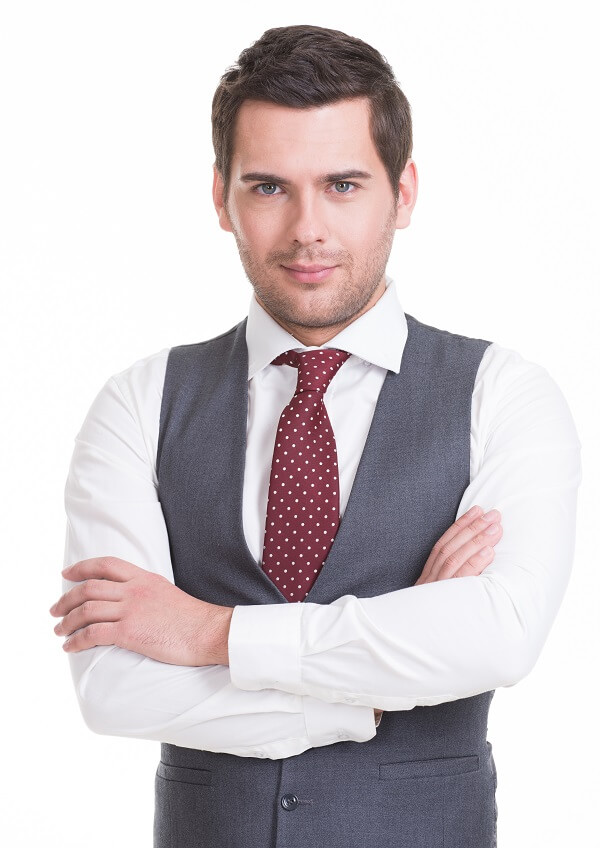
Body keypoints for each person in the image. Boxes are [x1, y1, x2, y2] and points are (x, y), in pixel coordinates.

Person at [50, 24, 581, 848]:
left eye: (342, 184)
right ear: (221, 197)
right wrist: (374, 692)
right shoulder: (139, 403)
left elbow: (498, 636)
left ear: (403, 193)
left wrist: (206, 634)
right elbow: (116, 689)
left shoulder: (504, 395)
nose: (307, 228)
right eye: (268, 187)